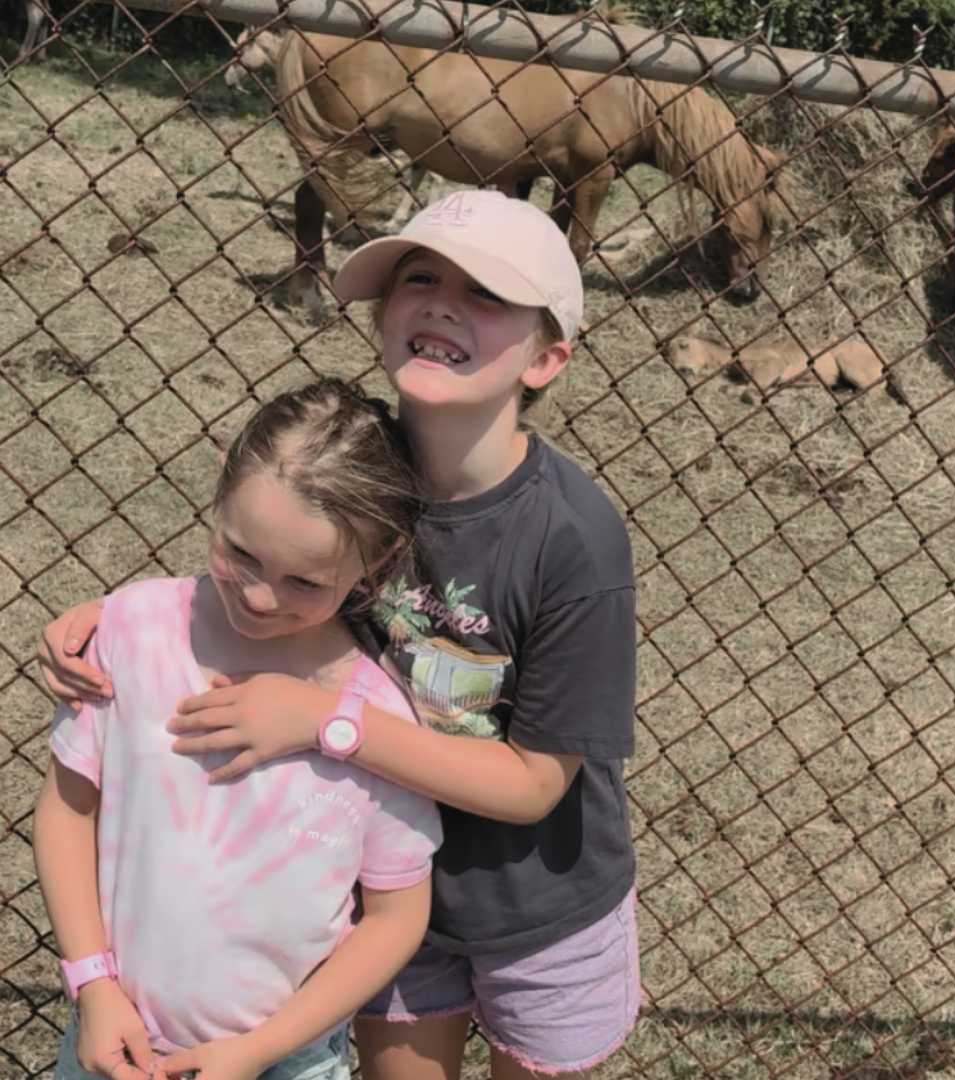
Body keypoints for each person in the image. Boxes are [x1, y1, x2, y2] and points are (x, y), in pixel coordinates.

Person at [38, 190, 640, 1080]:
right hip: (384, 903)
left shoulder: (573, 538)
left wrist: (326, 723)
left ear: (547, 357)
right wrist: (112, 621)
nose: (441, 301)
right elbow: (267, 574)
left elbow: (533, 787)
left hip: (536, 901)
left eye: (484, 294)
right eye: (419, 277)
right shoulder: (348, 462)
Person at [33, 379, 443, 1080]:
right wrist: (93, 986)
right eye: (241, 553)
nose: (259, 596)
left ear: (377, 560)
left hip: (286, 1061)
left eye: (305, 582)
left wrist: (258, 1051)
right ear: (221, 485)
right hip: (112, 1038)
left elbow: (395, 917)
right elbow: (67, 810)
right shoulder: (129, 634)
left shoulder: (375, 721)